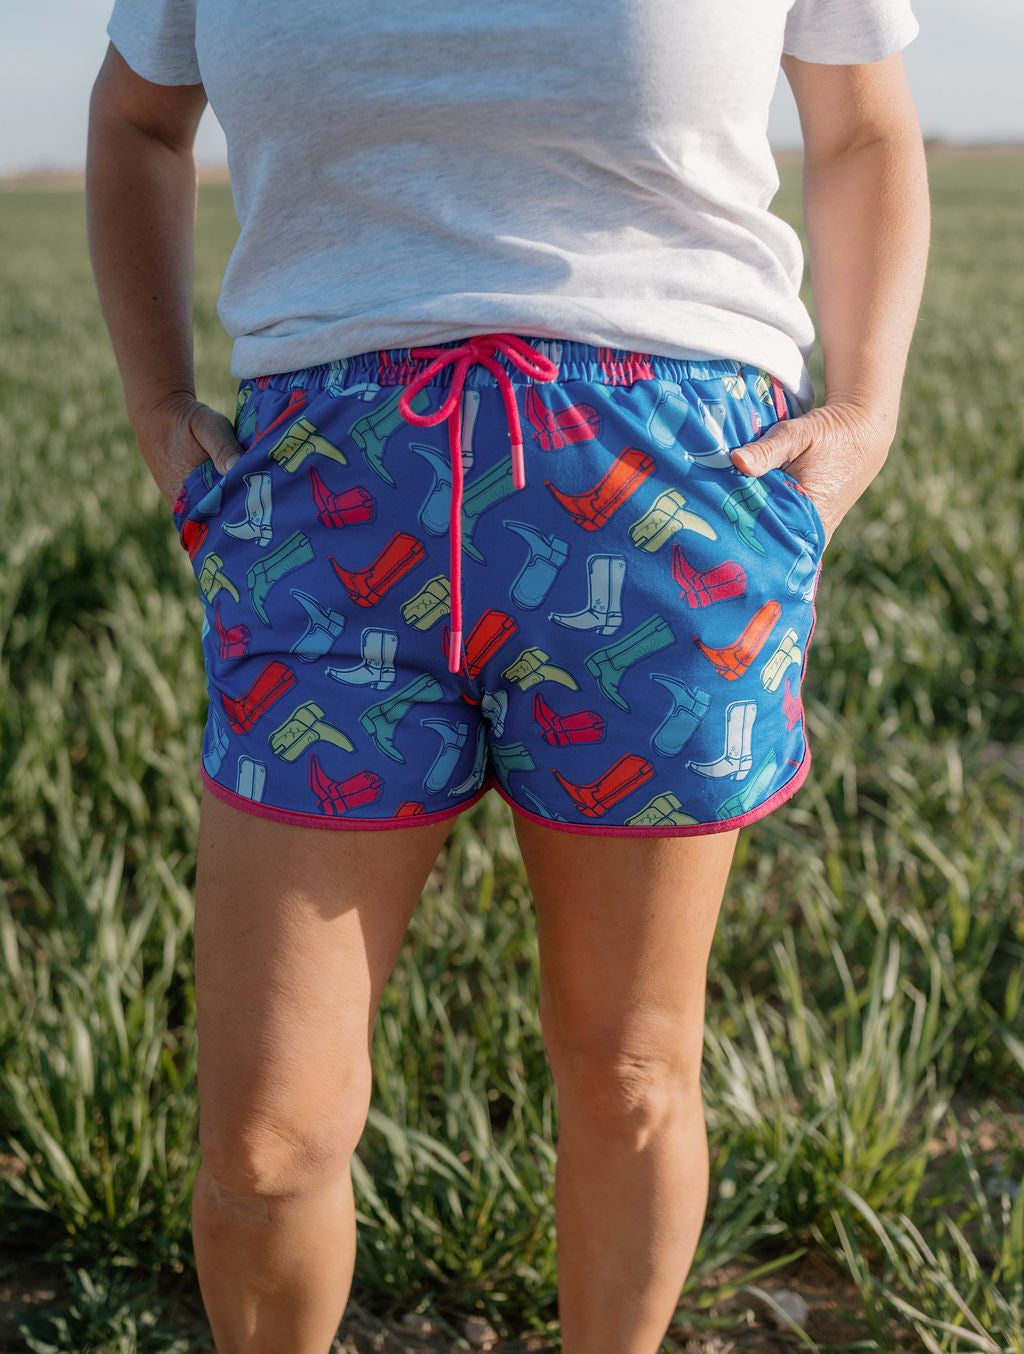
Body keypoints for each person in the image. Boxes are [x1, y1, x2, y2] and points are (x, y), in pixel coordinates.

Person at [86, 2, 930, 1350]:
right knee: (263, 1137)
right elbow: (136, 118)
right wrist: (154, 400)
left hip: (662, 511)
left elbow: (866, 123)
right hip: (327, 508)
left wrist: (868, 407)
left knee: (632, 1074)